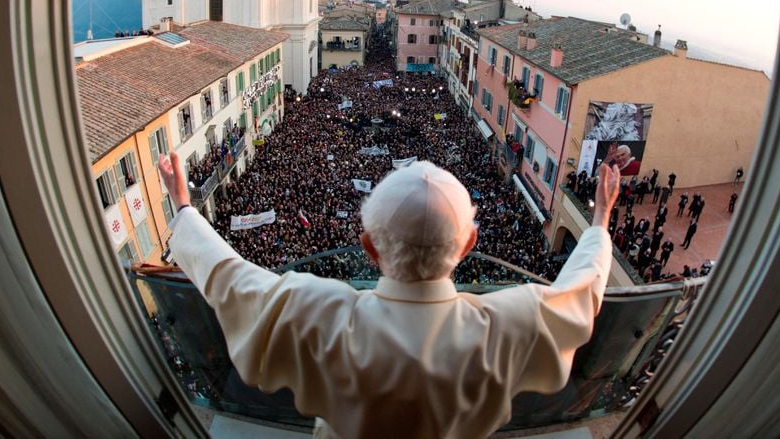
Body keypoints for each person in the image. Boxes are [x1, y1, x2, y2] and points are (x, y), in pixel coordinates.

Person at [158, 152, 621, 439]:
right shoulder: (512, 323)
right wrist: (598, 224)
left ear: (368, 247)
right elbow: (580, 294)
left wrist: (185, 210)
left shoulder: (314, 313)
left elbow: (229, 277)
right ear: (469, 245)